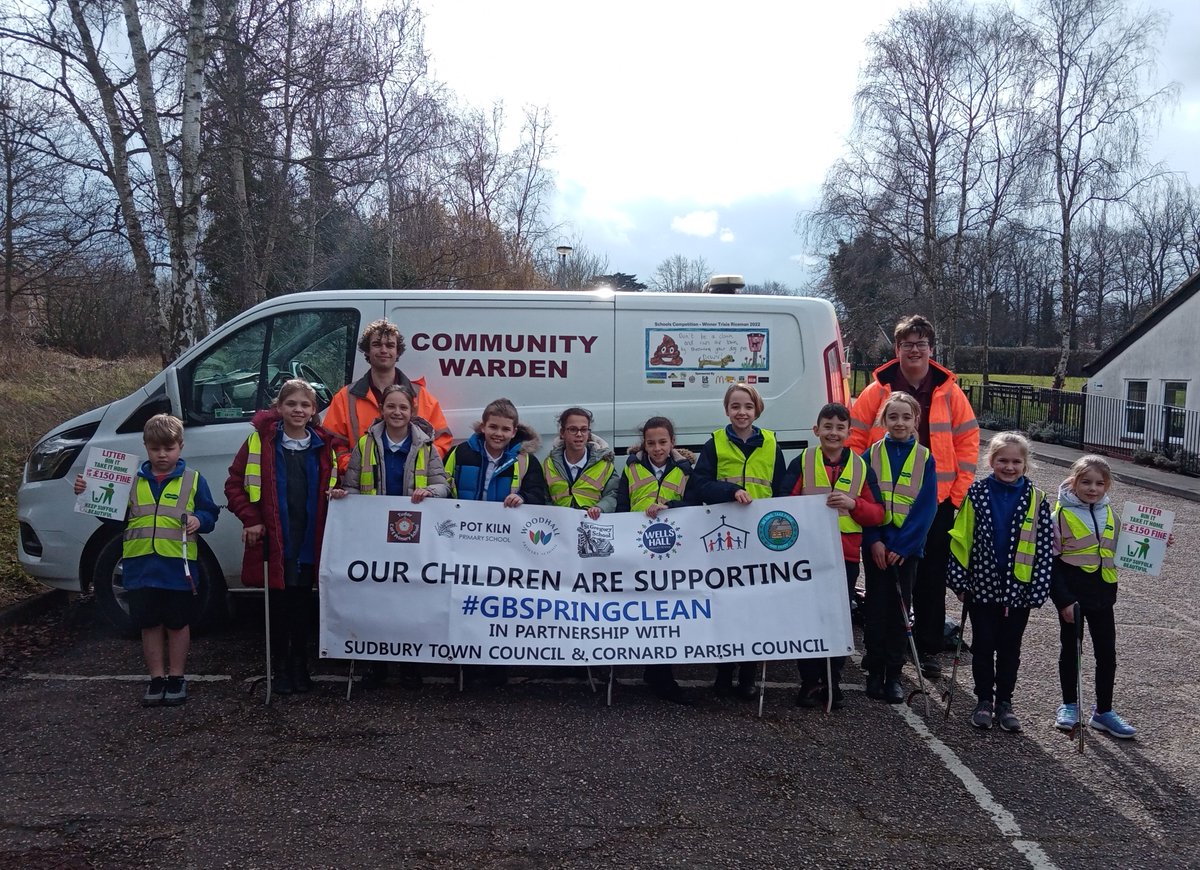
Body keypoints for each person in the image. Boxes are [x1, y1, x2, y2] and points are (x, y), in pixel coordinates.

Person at [847, 315, 979, 677]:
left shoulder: (949, 391)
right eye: (908, 344)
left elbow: (967, 443)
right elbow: (855, 441)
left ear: (931, 349)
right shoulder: (876, 392)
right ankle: (889, 648)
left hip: (934, 503)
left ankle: (927, 648)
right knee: (887, 579)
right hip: (885, 505)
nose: (915, 350)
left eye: (921, 344)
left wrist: (956, 493)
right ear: (897, 349)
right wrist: (861, 488)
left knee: (931, 579)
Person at [74, 414, 220, 707]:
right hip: (140, 568)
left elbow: (210, 514)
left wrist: (198, 519)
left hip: (178, 568)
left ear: (181, 446)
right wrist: (87, 492)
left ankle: (177, 677)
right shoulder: (129, 481)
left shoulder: (193, 480)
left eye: (169, 448)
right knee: (149, 624)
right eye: (155, 449)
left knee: (178, 624)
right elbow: (114, 518)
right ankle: (156, 679)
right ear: (145, 447)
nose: (162, 455)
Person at [225, 379, 343, 696]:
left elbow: (337, 484)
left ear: (314, 410)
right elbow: (234, 485)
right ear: (279, 408)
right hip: (276, 542)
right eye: (291, 404)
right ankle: (280, 669)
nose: (298, 410)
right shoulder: (259, 442)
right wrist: (251, 520)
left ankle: (300, 666)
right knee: (277, 607)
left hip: (308, 540)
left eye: (305, 405)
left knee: (303, 606)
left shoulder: (324, 445)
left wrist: (338, 493)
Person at [342, 384, 450, 690]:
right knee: (376, 598)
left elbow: (443, 485)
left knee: (412, 598)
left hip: (413, 538)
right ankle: (376, 664)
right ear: (382, 410)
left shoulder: (426, 446)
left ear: (412, 411)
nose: (397, 412)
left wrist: (429, 490)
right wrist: (342, 496)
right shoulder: (365, 445)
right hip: (375, 535)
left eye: (403, 407)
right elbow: (351, 486)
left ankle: (410, 664)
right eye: (391, 406)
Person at [947, 431, 1053, 732]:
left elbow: (1044, 547)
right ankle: (983, 700)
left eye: (1016, 461)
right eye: (1002, 460)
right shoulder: (976, 493)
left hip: (1018, 590)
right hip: (982, 585)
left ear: (1026, 464)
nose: (1009, 467)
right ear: (991, 461)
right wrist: (958, 581)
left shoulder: (1037, 499)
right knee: (983, 646)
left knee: (1010, 648)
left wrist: (1038, 587)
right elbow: (960, 538)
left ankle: (1005, 702)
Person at [782, 402, 885, 710]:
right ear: (817, 431)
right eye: (827, 427)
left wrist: (854, 505)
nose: (833, 432)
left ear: (849, 432)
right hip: (807, 554)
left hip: (845, 557)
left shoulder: (861, 466)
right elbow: (783, 504)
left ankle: (832, 679)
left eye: (840, 428)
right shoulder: (802, 461)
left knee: (837, 619)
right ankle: (810, 681)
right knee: (808, 619)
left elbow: (877, 514)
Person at [687, 383, 787, 699]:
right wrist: (729, 492)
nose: (741, 412)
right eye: (735, 406)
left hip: (761, 539)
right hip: (725, 537)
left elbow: (782, 491)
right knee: (725, 605)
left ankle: (748, 674)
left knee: (755, 607)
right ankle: (723, 672)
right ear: (727, 410)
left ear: (756, 409)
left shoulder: (771, 443)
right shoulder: (715, 443)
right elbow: (699, 486)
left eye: (747, 406)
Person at [1049, 455, 1157, 739]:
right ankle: (1070, 705)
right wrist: (1062, 600)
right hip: (1073, 595)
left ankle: (1104, 712)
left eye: (1099, 483)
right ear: (1074, 482)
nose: (1093, 488)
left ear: (1107, 485)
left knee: (1107, 654)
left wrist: (1159, 541)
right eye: (1086, 482)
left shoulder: (1111, 513)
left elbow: (1125, 546)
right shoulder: (1059, 514)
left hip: (1103, 593)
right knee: (1071, 651)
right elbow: (1050, 563)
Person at [444, 398, 547, 686]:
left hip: (505, 547)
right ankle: (466, 664)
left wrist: (523, 498)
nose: (498, 434)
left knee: (500, 605)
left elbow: (539, 496)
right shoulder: (460, 453)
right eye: (493, 427)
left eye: (505, 429)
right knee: (465, 602)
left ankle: (497, 664)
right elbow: (444, 484)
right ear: (483, 425)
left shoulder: (526, 461)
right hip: (464, 541)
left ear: (515, 431)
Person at [861, 392, 938, 704]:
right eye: (893, 417)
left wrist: (904, 546)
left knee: (899, 611)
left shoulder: (925, 457)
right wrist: (875, 540)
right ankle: (874, 670)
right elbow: (864, 501)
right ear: (884, 421)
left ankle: (894, 673)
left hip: (906, 551)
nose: (900, 423)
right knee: (875, 609)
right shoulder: (870, 455)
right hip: (877, 547)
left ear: (915, 421)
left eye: (906, 417)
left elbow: (926, 507)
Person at [616, 416, 694, 703]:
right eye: (651, 443)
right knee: (644, 609)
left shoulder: (686, 469)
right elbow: (623, 504)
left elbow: (695, 503)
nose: (657, 448)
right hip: (639, 548)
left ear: (673, 442)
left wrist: (670, 506)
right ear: (644, 444)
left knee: (665, 611)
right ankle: (653, 668)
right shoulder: (632, 468)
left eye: (663, 442)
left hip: (672, 550)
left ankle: (661, 672)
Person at [322, 319, 452, 471]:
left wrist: (419, 465)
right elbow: (332, 443)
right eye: (377, 344)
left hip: (408, 487)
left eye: (390, 345)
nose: (384, 350)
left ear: (397, 352)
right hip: (361, 486)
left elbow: (441, 439)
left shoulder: (419, 395)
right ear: (367, 351)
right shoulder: (346, 397)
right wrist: (356, 467)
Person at [542, 407, 619, 519]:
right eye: (573, 429)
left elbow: (613, 494)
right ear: (562, 433)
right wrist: (552, 514)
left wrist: (601, 508)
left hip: (593, 525)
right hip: (559, 526)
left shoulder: (604, 464)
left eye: (584, 429)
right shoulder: (549, 464)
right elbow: (544, 497)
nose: (579, 434)